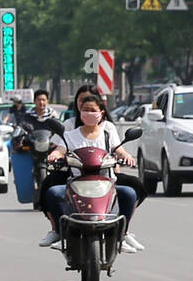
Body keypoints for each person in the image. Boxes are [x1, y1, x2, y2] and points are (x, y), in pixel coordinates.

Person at [39, 94, 142, 253]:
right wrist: (55, 155)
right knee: (53, 192)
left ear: (101, 113)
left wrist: (127, 157)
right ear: (80, 112)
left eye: (93, 110)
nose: (89, 113)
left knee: (129, 193)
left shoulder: (107, 134)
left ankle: (122, 235)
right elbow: (60, 149)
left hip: (106, 184)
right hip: (76, 184)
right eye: (85, 110)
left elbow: (119, 150)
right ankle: (61, 235)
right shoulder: (70, 136)